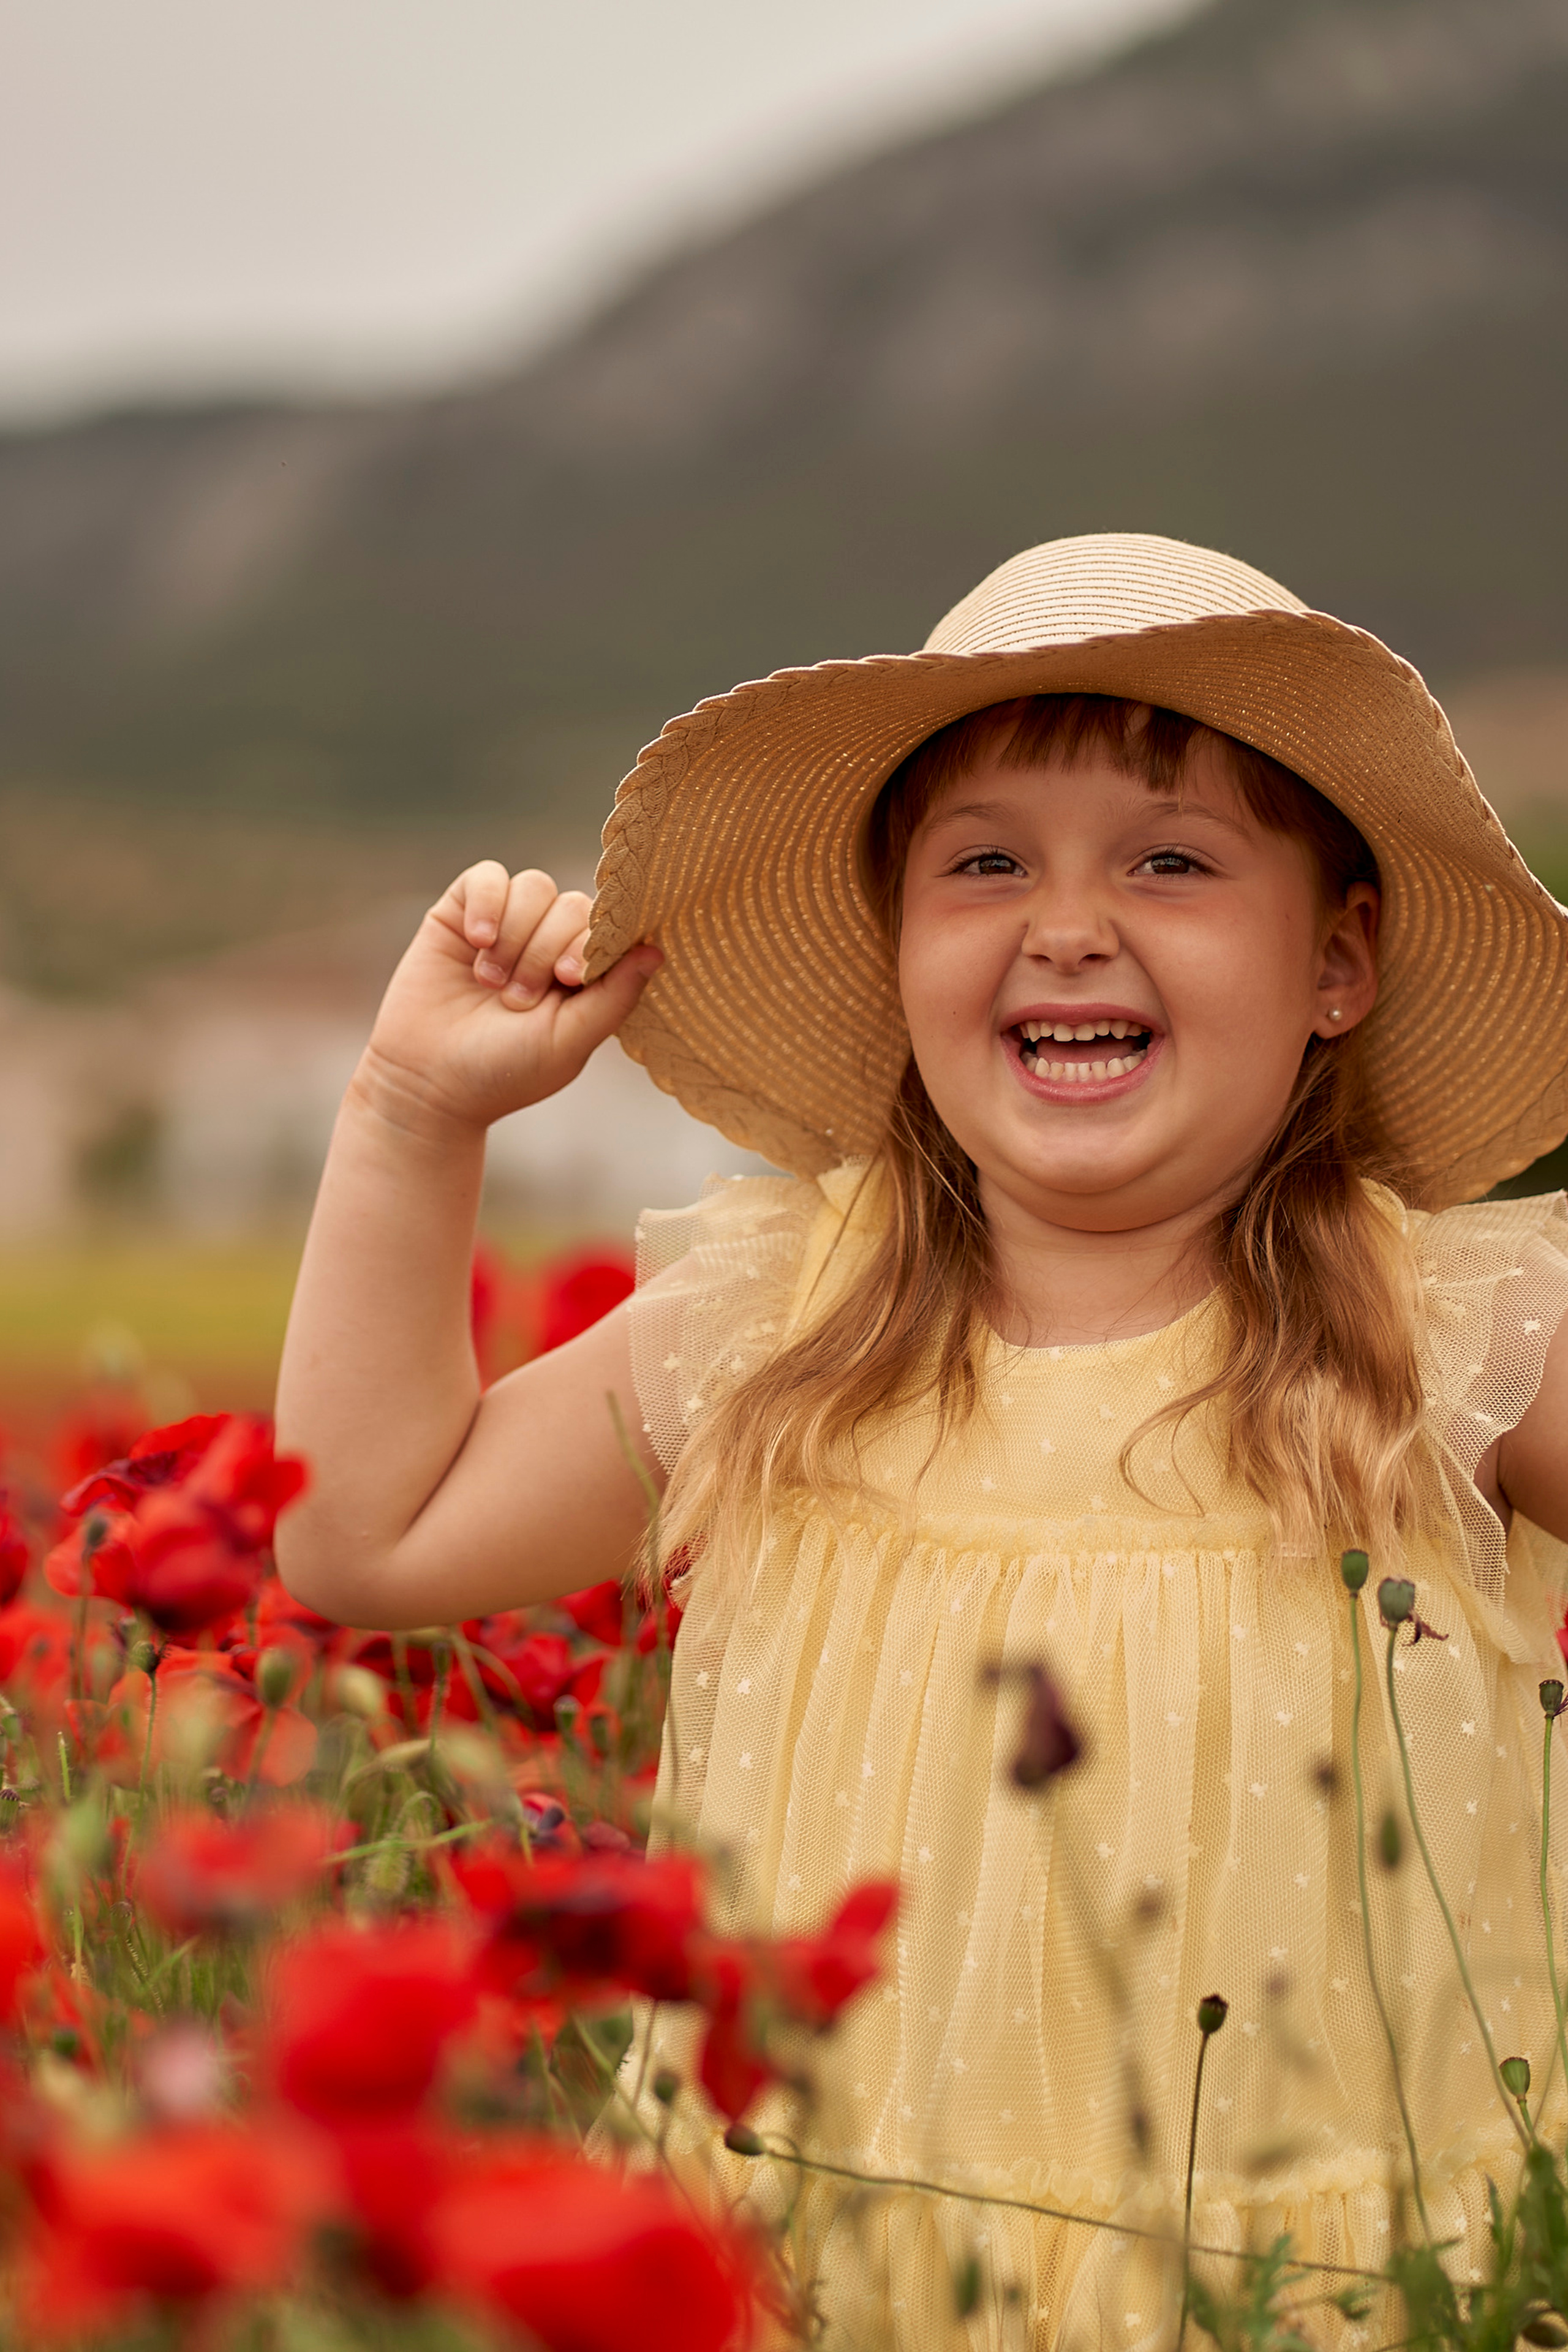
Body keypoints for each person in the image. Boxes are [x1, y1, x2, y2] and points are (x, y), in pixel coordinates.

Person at [277, 533, 1568, 2349]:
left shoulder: (1461, 1339)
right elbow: (370, 1538)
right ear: (897, 955)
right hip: (841, 2281)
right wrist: (414, 1114)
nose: (1064, 924)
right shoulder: (781, 1331)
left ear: (1339, 959)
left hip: (1322, 2297)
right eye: (984, 865)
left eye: (1172, 859)